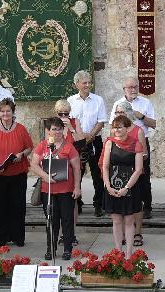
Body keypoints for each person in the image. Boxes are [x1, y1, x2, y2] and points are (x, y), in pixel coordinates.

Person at [0, 98, 33, 247]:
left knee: (18, 206)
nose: (5, 114)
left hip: (18, 173)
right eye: (3, 111)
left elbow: (29, 147)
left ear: (13, 112)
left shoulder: (21, 129)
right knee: (0, 206)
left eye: (8, 111)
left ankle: (18, 237)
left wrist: (22, 155)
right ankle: (2, 237)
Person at [31, 118, 82, 260]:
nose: (57, 132)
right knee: (51, 221)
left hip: (66, 190)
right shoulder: (42, 146)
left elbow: (77, 168)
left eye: (59, 129)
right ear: (48, 131)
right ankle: (50, 248)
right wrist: (45, 176)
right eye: (54, 129)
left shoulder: (69, 147)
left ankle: (67, 248)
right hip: (48, 191)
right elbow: (34, 164)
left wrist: (77, 187)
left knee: (67, 220)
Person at [110, 77, 156, 218]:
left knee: (143, 175)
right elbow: (113, 125)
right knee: (123, 173)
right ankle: (124, 203)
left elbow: (153, 124)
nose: (133, 89)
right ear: (124, 89)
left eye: (136, 86)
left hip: (140, 141)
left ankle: (146, 207)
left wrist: (139, 115)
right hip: (122, 143)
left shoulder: (145, 102)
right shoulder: (117, 104)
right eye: (130, 87)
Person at [102, 115, 144, 256]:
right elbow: (105, 166)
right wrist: (108, 186)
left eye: (120, 127)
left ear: (127, 128)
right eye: (114, 127)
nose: (117, 130)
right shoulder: (109, 143)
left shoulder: (136, 144)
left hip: (130, 186)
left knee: (129, 219)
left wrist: (127, 188)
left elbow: (138, 169)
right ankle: (118, 252)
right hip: (112, 185)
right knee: (116, 219)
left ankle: (129, 253)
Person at [67, 70, 107, 216]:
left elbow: (101, 121)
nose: (88, 85)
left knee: (98, 173)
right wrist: (80, 136)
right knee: (77, 172)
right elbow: (68, 122)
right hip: (76, 142)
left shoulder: (98, 100)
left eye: (89, 82)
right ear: (77, 84)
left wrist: (90, 135)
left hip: (94, 139)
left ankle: (99, 204)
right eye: (84, 83)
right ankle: (77, 202)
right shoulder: (70, 101)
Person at [112, 102, 148, 247]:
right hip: (117, 173)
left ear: (128, 113)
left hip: (134, 172)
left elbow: (144, 154)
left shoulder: (138, 130)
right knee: (119, 206)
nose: (118, 115)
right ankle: (121, 234)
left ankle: (137, 232)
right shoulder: (114, 129)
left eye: (121, 112)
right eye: (116, 112)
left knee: (135, 205)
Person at [56, 99, 86, 247]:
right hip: (58, 166)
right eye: (60, 113)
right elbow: (49, 145)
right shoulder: (53, 124)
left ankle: (71, 233)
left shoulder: (75, 122)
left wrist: (71, 129)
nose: (63, 116)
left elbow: (81, 142)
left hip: (73, 166)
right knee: (59, 201)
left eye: (65, 113)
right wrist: (60, 130)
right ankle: (61, 233)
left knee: (72, 200)